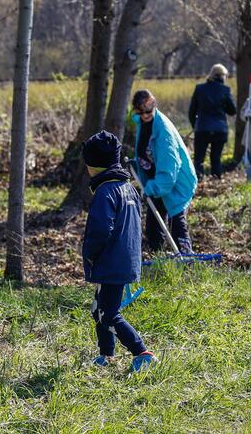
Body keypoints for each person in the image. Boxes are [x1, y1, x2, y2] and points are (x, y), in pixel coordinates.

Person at [82, 131, 157, 372]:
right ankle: (107, 355)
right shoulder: (128, 188)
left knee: (108, 314)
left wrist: (90, 253)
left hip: (110, 263)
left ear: (95, 165)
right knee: (99, 309)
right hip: (125, 260)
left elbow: (101, 229)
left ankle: (142, 352)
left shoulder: (105, 192)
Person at [132, 89, 197, 254]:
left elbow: (169, 168)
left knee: (176, 220)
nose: (145, 115)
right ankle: (157, 255)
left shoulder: (163, 132)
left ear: (154, 105)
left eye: (148, 110)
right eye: (141, 112)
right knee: (154, 224)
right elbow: (146, 151)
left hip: (175, 181)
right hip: (156, 181)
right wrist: (136, 163)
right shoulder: (143, 124)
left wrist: (153, 188)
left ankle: (186, 257)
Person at [188, 64, 237, 179]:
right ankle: (216, 180)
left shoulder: (199, 89)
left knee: (199, 158)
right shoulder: (225, 90)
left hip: (202, 128)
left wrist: (195, 125)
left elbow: (192, 111)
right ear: (222, 76)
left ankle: (197, 180)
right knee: (216, 158)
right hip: (219, 129)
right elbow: (232, 110)